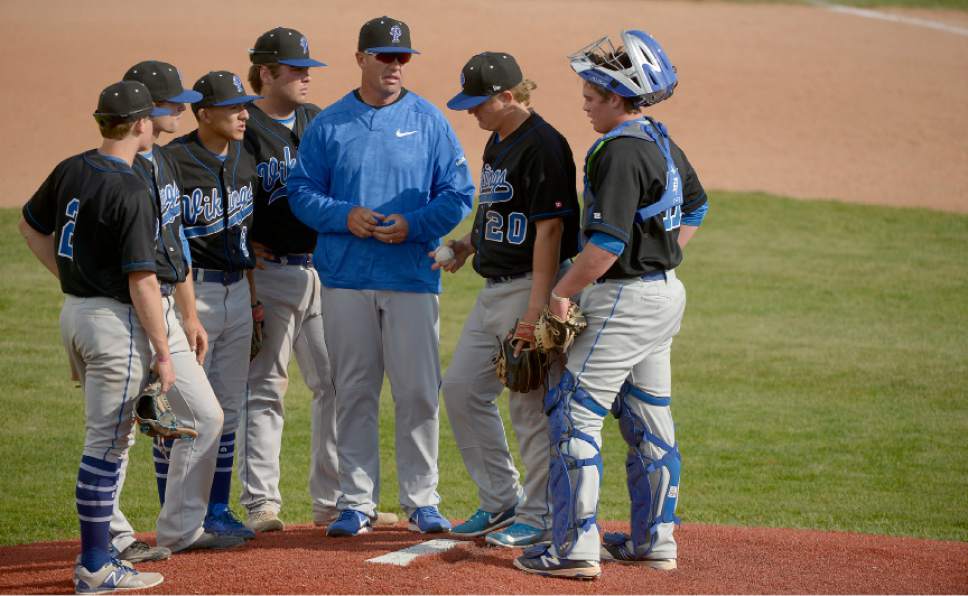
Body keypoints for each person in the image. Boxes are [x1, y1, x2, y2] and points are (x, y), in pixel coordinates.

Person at [513, 29, 709, 579]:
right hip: (664, 295)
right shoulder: (660, 139)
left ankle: (572, 549)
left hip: (623, 298)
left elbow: (604, 246)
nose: (585, 105)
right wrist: (661, 257)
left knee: (574, 414)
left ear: (619, 98)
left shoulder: (620, 151)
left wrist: (560, 294)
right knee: (650, 416)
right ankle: (656, 541)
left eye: (593, 97)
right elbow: (696, 207)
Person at [288, 15, 475, 537]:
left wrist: (416, 225)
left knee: (417, 390)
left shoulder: (430, 120)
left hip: (412, 277)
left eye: (402, 58)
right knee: (354, 390)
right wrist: (342, 215)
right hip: (345, 278)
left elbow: (458, 193)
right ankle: (356, 501)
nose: (394, 66)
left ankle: (422, 499)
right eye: (384, 56)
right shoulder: (329, 123)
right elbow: (301, 192)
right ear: (361, 59)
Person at [238, 26, 399, 533]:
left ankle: (333, 500)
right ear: (266, 72)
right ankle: (262, 503)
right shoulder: (244, 126)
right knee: (266, 387)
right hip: (270, 274)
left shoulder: (317, 120)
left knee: (335, 383)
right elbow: (219, 193)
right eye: (295, 69)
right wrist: (242, 248)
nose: (306, 77)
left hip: (324, 271)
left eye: (308, 69)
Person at [19, 80, 169, 593]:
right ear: (140, 124)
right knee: (107, 445)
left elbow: (29, 226)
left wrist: (67, 277)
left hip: (75, 315)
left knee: (106, 441)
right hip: (113, 325)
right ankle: (95, 566)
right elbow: (143, 281)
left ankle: (99, 557)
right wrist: (164, 354)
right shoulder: (130, 187)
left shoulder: (72, 167)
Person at [440, 52, 580, 548]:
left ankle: (540, 514)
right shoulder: (497, 141)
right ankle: (500, 498)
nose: (471, 113)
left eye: (478, 104)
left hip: (529, 288)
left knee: (528, 405)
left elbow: (549, 231)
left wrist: (536, 309)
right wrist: (466, 245)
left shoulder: (543, 144)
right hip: (492, 289)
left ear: (507, 96)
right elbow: (494, 208)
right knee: (460, 389)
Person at [114, 61, 245, 554]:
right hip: (128, 309)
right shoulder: (117, 170)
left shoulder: (161, 161)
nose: (183, 109)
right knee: (120, 430)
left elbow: (178, 247)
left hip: (169, 306)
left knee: (206, 417)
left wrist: (189, 315)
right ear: (146, 109)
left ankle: (181, 528)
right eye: (175, 103)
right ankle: (112, 534)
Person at [165, 71, 261, 540]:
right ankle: (175, 514)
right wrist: (187, 313)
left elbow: (252, 234)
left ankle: (217, 511)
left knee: (228, 409)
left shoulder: (248, 154)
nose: (244, 114)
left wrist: (255, 300)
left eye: (245, 105)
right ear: (204, 114)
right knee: (182, 411)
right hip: (192, 294)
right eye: (233, 108)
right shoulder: (173, 162)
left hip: (239, 292)